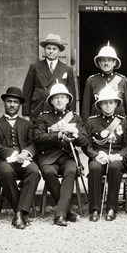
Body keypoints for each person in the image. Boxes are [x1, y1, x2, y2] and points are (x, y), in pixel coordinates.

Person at [34, 83, 88, 227]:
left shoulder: (75, 118)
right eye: (56, 98)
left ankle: (60, 215)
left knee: (71, 171)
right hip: (48, 156)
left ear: (67, 100)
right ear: (51, 101)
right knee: (48, 172)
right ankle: (67, 212)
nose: (59, 100)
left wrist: (75, 134)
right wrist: (57, 135)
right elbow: (38, 138)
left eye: (62, 97)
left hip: (68, 155)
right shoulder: (43, 118)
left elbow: (84, 141)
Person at [0, 87, 41, 229]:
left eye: (15, 102)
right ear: (4, 103)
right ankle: (21, 212)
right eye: (9, 101)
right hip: (3, 161)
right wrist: (14, 154)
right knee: (5, 171)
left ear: (19, 105)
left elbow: (34, 143)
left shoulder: (27, 124)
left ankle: (18, 213)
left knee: (34, 171)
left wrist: (26, 153)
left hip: (24, 160)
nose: (12, 105)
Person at [83, 86, 127, 222]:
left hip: (116, 156)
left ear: (116, 104)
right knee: (94, 168)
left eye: (111, 102)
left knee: (115, 167)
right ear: (100, 105)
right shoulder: (91, 121)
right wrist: (95, 155)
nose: (108, 105)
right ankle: (95, 208)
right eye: (105, 102)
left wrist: (119, 156)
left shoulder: (123, 121)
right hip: (98, 156)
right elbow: (86, 145)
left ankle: (111, 208)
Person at [22, 34, 77, 120]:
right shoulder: (35, 67)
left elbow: (71, 93)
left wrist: (71, 114)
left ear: (59, 51)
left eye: (54, 49)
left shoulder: (66, 69)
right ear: (44, 50)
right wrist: (25, 114)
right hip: (38, 109)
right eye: (48, 48)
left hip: (58, 110)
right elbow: (27, 91)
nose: (51, 51)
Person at [80, 43, 127, 122]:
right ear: (99, 62)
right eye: (103, 60)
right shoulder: (91, 81)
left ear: (114, 62)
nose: (106, 63)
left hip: (118, 125)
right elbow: (85, 109)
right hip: (96, 125)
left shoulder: (123, 81)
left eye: (109, 60)